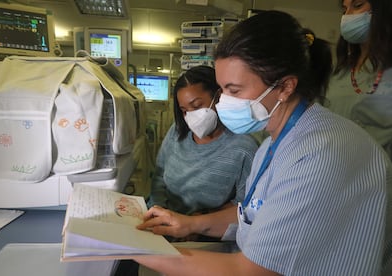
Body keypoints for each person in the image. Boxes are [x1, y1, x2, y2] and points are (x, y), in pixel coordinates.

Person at [132, 10, 392, 275]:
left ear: (285, 87)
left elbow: (249, 271)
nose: (224, 103)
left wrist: (130, 248)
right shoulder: (272, 145)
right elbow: (254, 214)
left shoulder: (321, 152)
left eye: (234, 91)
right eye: (223, 91)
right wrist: (189, 224)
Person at [147, 65, 258, 219]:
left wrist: (197, 222)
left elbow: (244, 204)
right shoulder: (177, 131)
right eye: (185, 110)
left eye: (197, 105)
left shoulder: (243, 149)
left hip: (204, 232)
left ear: (218, 97)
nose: (191, 116)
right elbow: (159, 178)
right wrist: (158, 209)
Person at [326, 0, 392, 159]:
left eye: (357, 6)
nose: (348, 15)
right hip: (335, 166)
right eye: (344, 9)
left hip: (379, 174)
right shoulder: (339, 70)